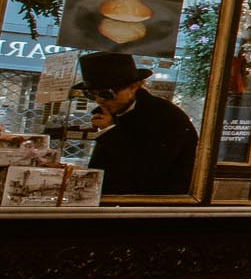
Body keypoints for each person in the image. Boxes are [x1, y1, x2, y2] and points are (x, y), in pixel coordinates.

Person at [76, 51, 198, 196]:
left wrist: (110, 131)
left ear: (133, 87)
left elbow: (148, 170)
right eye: (90, 94)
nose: (99, 100)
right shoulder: (115, 113)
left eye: (106, 93)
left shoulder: (165, 117)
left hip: (148, 208)